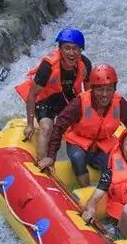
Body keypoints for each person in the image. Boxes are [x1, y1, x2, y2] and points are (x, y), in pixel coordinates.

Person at [37, 64, 127, 187]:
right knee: (78, 158)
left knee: (116, 165)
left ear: (114, 88)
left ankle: (110, 191)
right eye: (100, 89)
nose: (104, 94)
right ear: (92, 89)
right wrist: (51, 157)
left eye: (109, 89)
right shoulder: (79, 103)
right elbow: (59, 126)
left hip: (103, 145)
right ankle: (86, 189)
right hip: (78, 144)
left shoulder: (120, 103)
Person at [15, 28, 92, 159]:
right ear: (60, 49)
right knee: (46, 127)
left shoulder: (85, 64)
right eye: (67, 48)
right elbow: (32, 95)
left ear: (81, 50)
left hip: (68, 96)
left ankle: (86, 156)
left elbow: (89, 94)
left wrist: (90, 117)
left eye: (75, 49)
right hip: (46, 99)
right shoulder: (47, 67)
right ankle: (43, 164)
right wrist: (30, 124)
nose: (71, 53)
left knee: (84, 124)